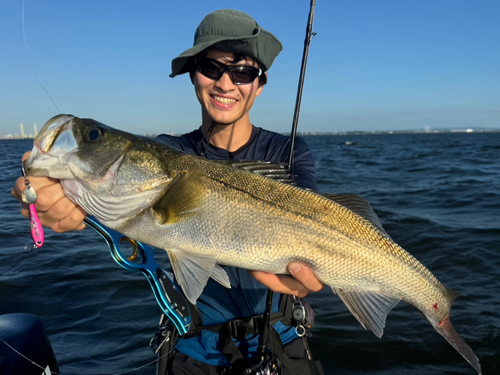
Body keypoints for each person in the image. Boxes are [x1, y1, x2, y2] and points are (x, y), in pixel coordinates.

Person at [12, 9, 324, 375]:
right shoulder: (167, 153)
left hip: (282, 342)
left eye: (243, 72)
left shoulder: (287, 154)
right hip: (191, 351)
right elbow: (109, 201)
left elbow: (317, 229)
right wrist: (50, 194)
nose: (226, 84)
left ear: (260, 83)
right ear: (193, 74)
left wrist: (307, 278)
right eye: (211, 68)